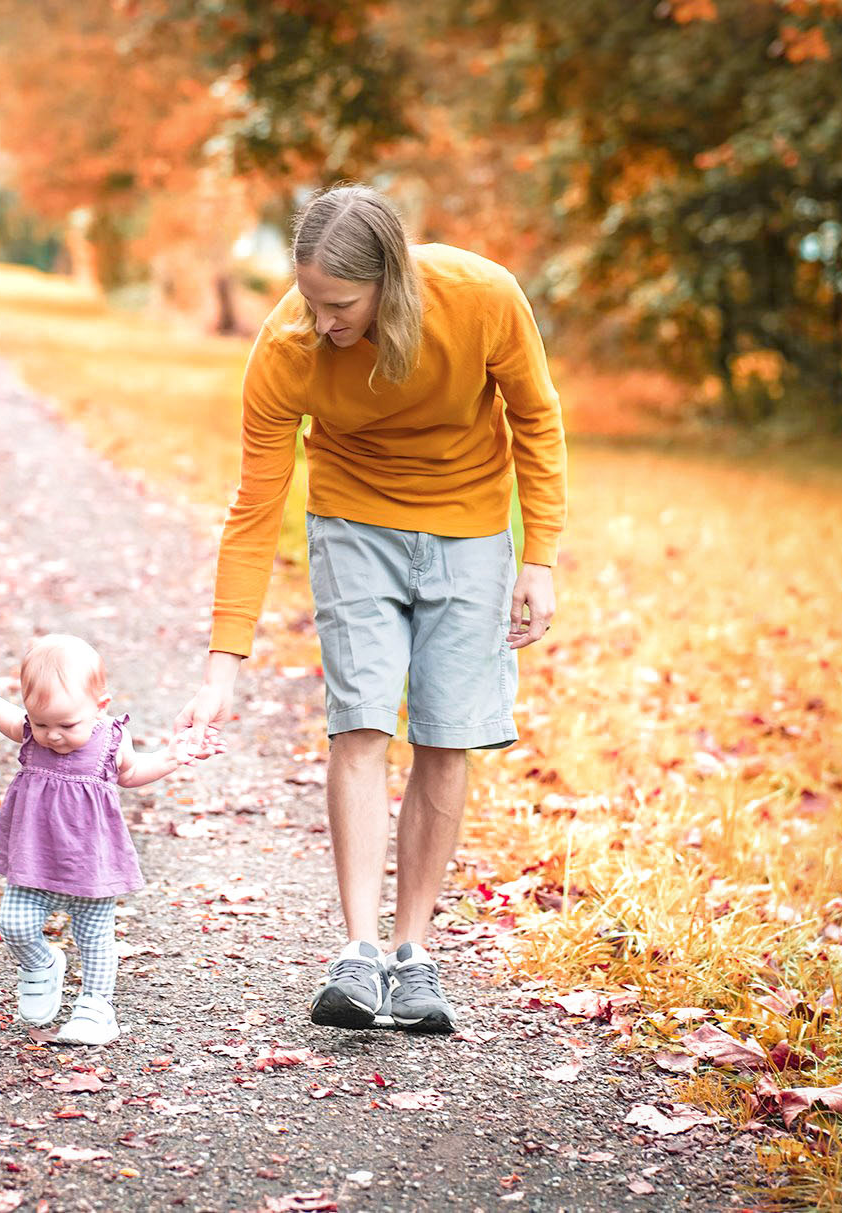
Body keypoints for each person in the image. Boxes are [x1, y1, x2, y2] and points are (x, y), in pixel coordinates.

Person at [176, 183, 566, 1034]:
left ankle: (413, 953)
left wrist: (538, 557)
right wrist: (222, 664)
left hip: (470, 527)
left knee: (447, 733)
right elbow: (254, 505)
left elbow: (537, 420)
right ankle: (358, 952)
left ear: (390, 280)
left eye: (339, 305)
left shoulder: (483, 298)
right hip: (353, 523)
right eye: (309, 299)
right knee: (359, 722)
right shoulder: (288, 344)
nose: (318, 321)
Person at [0, 635, 216, 1045]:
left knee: (94, 937)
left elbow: (131, 773)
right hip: (35, 856)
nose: (52, 736)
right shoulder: (30, 731)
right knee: (14, 923)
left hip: (91, 860)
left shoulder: (111, 738)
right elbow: (4, 713)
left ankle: (96, 1008)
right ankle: (40, 965)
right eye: (41, 724)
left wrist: (172, 757)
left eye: (66, 726)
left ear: (100, 706)